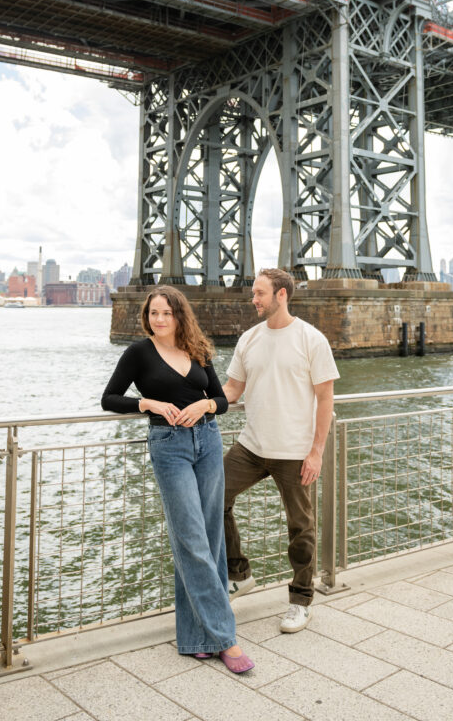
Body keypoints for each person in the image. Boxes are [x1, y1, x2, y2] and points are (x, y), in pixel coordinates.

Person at [101, 285, 254, 674]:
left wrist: (205, 403)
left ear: (179, 315)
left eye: (166, 313)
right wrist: (147, 403)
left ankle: (195, 637)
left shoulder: (198, 348)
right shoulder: (138, 353)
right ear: (146, 317)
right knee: (190, 539)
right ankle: (225, 639)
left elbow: (222, 400)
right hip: (169, 446)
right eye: (154, 313)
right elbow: (109, 398)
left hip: (207, 440)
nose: (159, 319)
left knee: (210, 538)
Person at [222, 267, 338, 633]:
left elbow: (325, 399)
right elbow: (232, 390)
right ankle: (238, 574)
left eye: (259, 293)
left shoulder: (311, 339)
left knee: (300, 527)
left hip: (294, 451)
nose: (253, 299)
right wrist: (198, 404)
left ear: (281, 295)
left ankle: (301, 601)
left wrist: (316, 451)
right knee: (211, 495)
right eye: (254, 293)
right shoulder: (248, 339)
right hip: (251, 446)